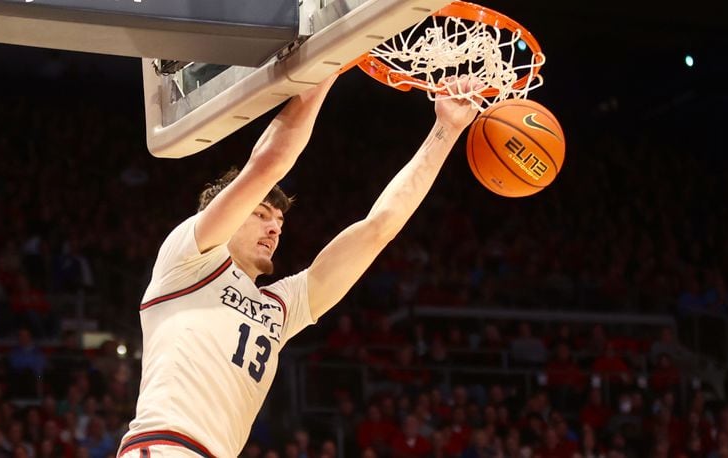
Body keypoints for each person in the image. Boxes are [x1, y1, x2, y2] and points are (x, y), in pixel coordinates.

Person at [117, 73, 482, 458]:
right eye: (261, 214)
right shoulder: (188, 258)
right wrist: (326, 66)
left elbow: (378, 229)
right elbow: (267, 165)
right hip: (163, 448)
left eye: (280, 222)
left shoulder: (280, 306)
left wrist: (446, 130)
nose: (274, 227)